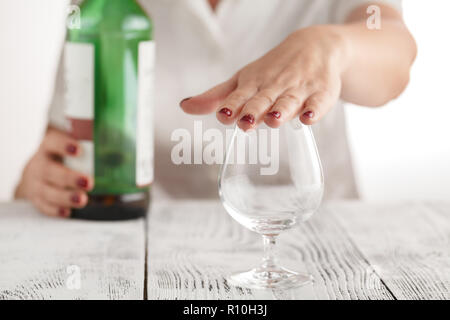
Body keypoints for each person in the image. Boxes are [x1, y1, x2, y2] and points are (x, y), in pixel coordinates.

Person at [14, 0, 416, 218]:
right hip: (151, 241)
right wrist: (40, 181)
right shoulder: (103, 10)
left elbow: (393, 52)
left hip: (320, 235)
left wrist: (331, 45)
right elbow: (61, 147)